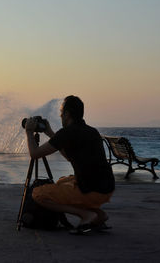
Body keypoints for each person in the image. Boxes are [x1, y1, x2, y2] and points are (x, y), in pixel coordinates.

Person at [25, 95, 115, 233]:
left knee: (38, 194)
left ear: (67, 114)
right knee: (62, 182)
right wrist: (49, 132)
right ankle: (100, 215)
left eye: (61, 113)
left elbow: (35, 154)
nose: (60, 117)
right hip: (106, 188)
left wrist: (29, 132)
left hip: (90, 190)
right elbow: (69, 156)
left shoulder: (67, 133)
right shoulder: (92, 131)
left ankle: (86, 215)